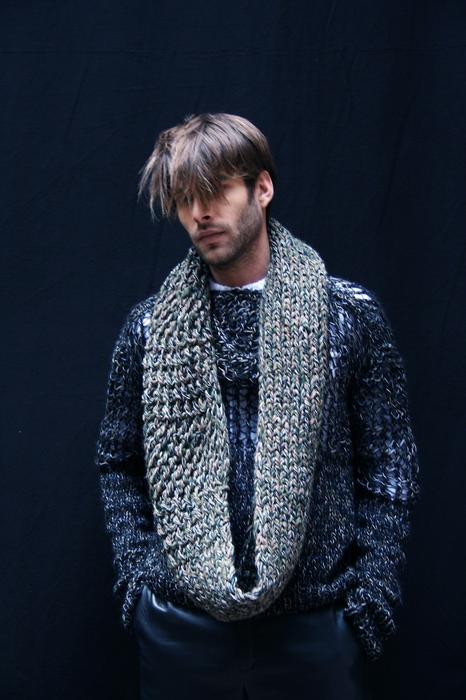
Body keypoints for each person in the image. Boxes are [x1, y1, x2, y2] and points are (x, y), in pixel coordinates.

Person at [94, 112, 420, 700]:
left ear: (262, 188)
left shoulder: (347, 316)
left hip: (317, 628)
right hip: (181, 628)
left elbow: (389, 464)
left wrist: (370, 593)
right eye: (184, 199)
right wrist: (139, 583)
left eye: (216, 190)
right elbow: (118, 463)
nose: (200, 213)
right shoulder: (148, 329)